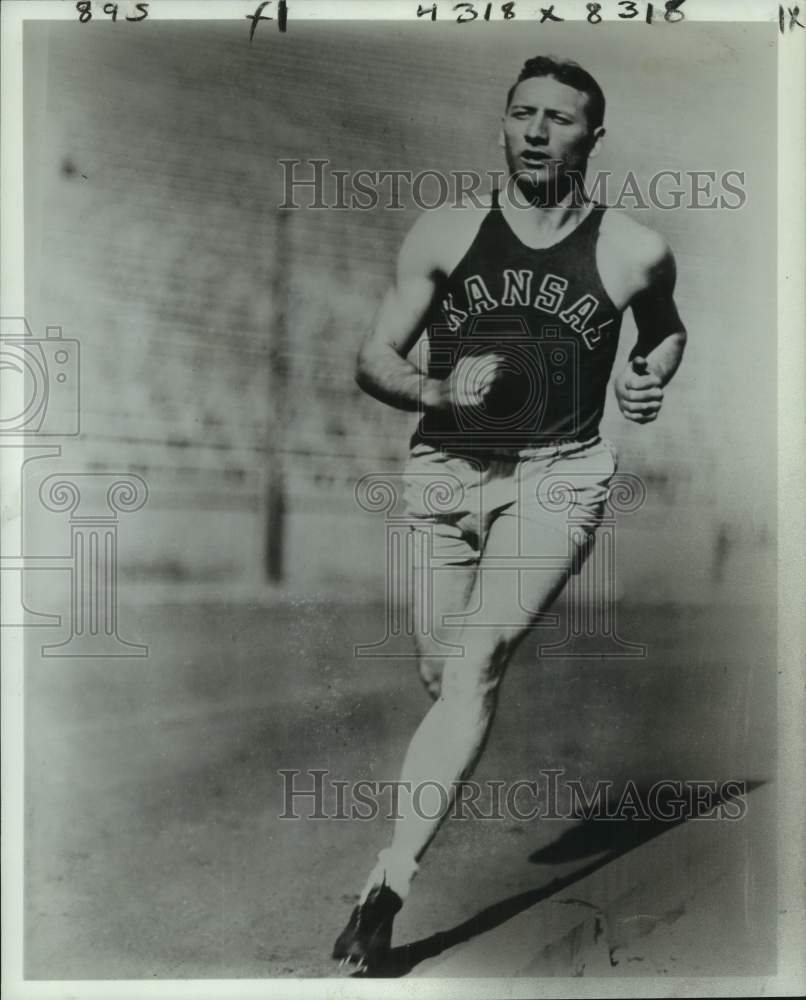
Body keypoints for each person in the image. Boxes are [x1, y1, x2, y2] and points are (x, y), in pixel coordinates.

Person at [333, 55, 687, 973]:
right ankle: (437, 776)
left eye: (559, 118)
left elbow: (665, 328)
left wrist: (653, 376)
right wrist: (439, 384)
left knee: (479, 661)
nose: (536, 131)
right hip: (445, 469)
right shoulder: (448, 230)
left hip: (559, 473)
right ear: (502, 124)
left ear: (592, 136)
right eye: (521, 113)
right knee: (441, 670)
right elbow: (373, 356)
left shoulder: (633, 248)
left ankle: (389, 884)